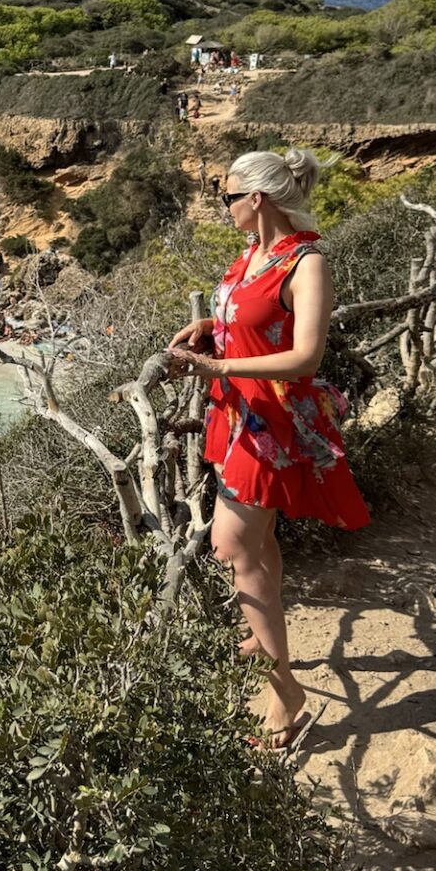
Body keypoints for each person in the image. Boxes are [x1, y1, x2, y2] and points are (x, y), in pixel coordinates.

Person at [166, 147, 369, 751]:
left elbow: (306, 356)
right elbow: (245, 314)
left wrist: (216, 362)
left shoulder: (306, 263)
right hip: (239, 414)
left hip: (273, 422)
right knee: (258, 543)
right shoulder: (253, 254)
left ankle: (287, 696)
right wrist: (211, 328)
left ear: (257, 198)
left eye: (227, 195)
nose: (222, 205)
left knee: (230, 544)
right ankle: (265, 641)